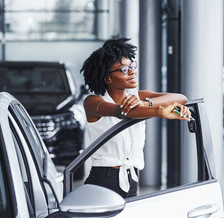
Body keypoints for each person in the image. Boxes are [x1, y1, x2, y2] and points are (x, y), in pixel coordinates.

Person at [80, 38, 191, 198]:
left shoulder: (140, 97)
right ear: (107, 78)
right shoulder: (93, 102)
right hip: (103, 180)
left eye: (132, 66)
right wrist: (158, 112)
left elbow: (181, 97)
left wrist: (147, 103)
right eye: (124, 70)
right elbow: (122, 112)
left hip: (132, 178)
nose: (132, 72)